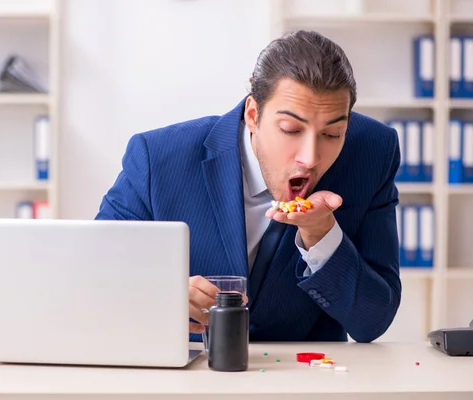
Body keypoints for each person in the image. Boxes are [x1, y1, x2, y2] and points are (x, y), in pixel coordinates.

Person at [95, 29, 401, 343]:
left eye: (332, 134)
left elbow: (373, 321)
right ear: (253, 115)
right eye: (290, 129)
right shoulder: (157, 158)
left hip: (305, 382)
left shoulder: (373, 152)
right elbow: (93, 275)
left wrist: (322, 235)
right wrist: (156, 294)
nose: (309, 158)